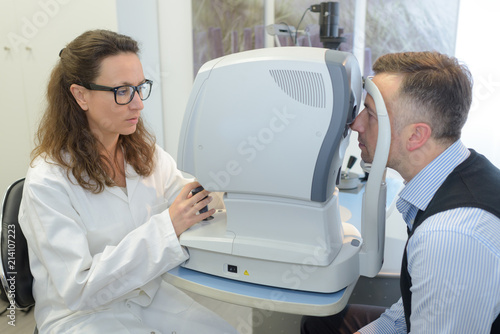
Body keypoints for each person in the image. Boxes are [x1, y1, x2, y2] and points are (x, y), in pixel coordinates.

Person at [19, 29, 237, 333]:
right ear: (80, 95)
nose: (138, 104)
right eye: (122, 91)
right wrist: (169, 226)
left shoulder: (144, 155)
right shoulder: (48, 181)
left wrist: (224, 186)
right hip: (82, 316)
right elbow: (80, 288)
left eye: (140, 87)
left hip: (148, 296)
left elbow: (186, 201)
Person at [301, 51, 500, 333]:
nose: (356, 124)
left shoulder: (449, 237)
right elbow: (411, 310)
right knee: (319, 323)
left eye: (370, 113)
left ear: (416, 136)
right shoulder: (463, 170)